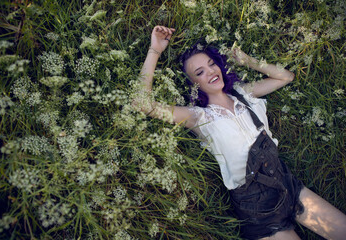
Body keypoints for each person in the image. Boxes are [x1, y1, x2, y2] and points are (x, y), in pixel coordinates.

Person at [135, 25, 346, 240]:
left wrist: (248, 61)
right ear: (194, 85)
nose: (211, 72)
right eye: (200, 72)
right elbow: (143, 104)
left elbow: (286, 77)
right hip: (257, 207)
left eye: (211, 64)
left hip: (286, 184)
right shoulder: (198, 116)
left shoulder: (244, 94)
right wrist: (155, 51)